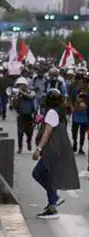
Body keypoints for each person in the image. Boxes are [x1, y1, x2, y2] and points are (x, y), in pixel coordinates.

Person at [32, 88, 80, 220]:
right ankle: (52, 202)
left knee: (39, 173)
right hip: (60, 148)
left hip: (52, 149)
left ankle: (53, 203)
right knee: (47, 175)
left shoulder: (52, 112)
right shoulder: (61, 111)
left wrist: (39, 148)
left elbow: (47, 131)